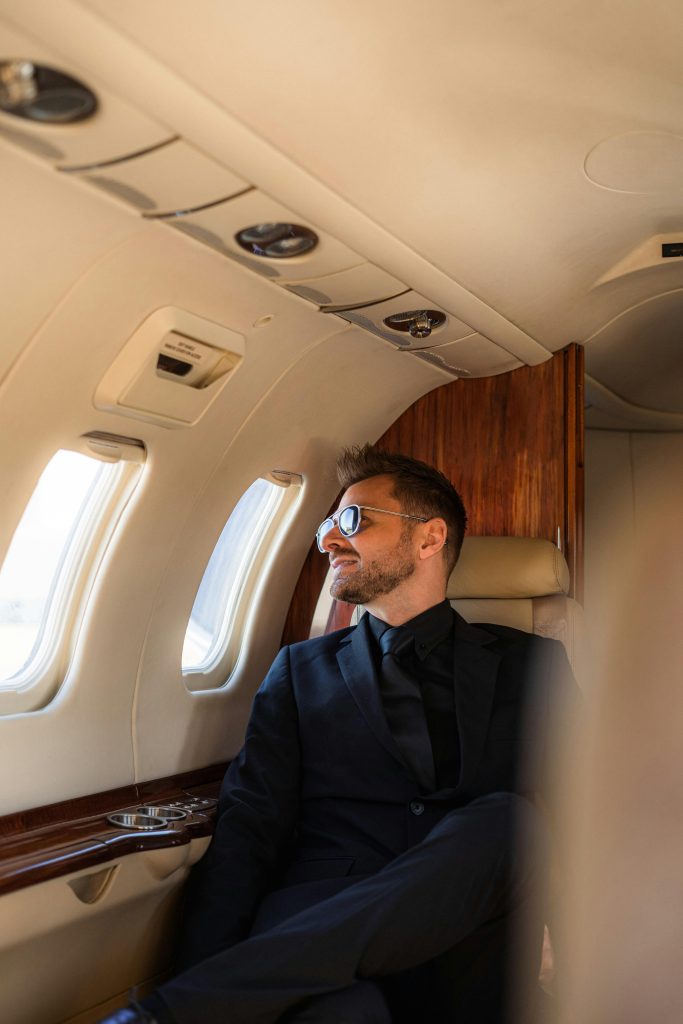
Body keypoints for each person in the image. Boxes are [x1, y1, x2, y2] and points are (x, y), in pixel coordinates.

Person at [102, 445, 577, 1024]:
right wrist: (198, 976)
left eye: (352, 521)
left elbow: (591, 819)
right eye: (326, 525)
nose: (327, 540)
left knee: (512, 822)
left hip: (467, 943)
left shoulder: (534, 666)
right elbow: (246, 837)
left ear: (429, 538)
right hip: (318, 928)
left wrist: (585, 951)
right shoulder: (298, 671)